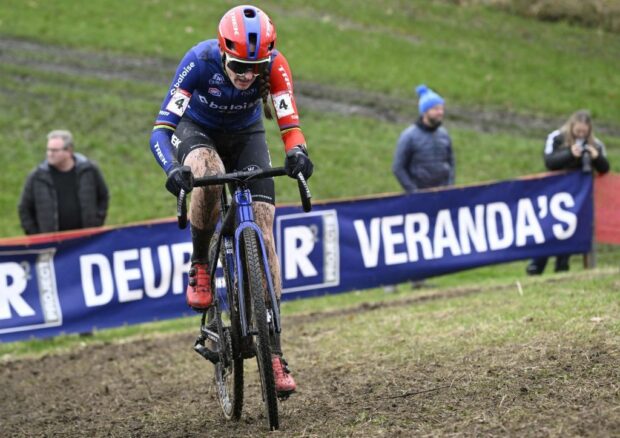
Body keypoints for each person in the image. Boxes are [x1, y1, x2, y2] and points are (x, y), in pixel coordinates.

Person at [148, 5, 313, 396]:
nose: (245, 75)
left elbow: (290, 125)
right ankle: (201, 262)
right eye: (238, 65)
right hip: (198, 131)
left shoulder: (274, 67)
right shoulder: (200, 61)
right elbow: (160, 130)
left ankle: (273, 354)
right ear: (223, 52)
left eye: (254, 68)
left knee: (265, 228)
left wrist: (299, 153)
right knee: (205, 172)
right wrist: (172, 169)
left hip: (246, 136)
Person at [526, 109, 610, 275]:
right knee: (549, 230)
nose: (580, 135)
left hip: (579, 198)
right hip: (554, 195)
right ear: (572, 127)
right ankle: (536, 266)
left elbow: (605, 168)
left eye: (584, 133)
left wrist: (596, 157)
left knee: (570, 231)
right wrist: (570, 153)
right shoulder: (557, 137)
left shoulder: (596, 144)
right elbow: (550, 162)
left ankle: (562, 267)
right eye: (578, 131)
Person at [18, 130, 109, 235]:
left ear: (69, 151)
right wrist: (37, 235)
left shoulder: (89, 171)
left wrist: (96, 223)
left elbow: (103, 196)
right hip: (52, 243)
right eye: (48, 150)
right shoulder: (37, 177)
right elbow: (24, 208)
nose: (50, 154)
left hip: (86, 240)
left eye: (54, 150)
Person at [392, 84, 455, 193]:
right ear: (425, 112)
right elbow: (398, 168)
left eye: (441, 109)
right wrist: (414, 192)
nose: (440, 113)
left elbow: (451, 162)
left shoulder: (444, 135)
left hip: (443, 195)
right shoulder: (409, 136)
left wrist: (449, 187)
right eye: (435, 109)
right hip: (419, 198)